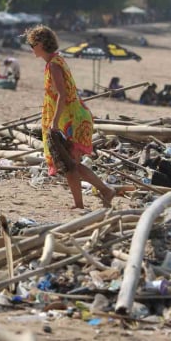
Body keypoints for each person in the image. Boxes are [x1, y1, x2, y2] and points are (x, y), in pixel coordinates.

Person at [25, 24, 115, 209]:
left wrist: (55, 122)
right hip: (73, 116)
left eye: (32, 44)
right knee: (70, 165)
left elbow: (62, 95)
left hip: (71, 119)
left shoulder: (54, 66)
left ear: (41, 44)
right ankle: (83, 202)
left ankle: (104, 191)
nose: (31, 48)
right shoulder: (56, 61)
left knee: (70, 164)